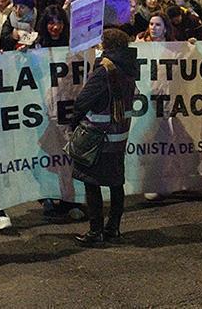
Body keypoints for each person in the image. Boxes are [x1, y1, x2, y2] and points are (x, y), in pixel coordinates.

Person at [70, 28, 138, 245]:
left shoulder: (105, 70)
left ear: (106, 46)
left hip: (99, 138)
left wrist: (74, 121)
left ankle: (95, 231)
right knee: (116, 182)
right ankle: (113, 228)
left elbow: (84, 100)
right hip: (119, 136)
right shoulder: (129, 67)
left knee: (92, 183)